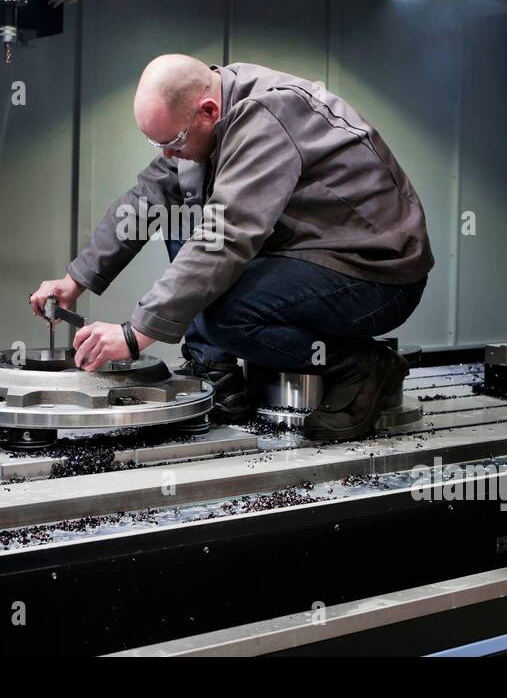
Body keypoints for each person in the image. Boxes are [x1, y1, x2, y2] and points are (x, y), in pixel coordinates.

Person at [29, 54, 432, 442]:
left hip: (375, 274)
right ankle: (216, 371)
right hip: (308, 251)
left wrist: (134, 335)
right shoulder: (202, 123)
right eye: (159, 145)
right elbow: (146, 200)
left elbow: (226, 235)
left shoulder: (267, 115)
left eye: (174, 141)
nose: (169, 153)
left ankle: (362, 366)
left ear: (207, 110)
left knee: (227, 316)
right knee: (179, 214)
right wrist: (74, 280)